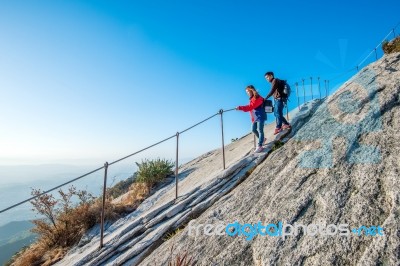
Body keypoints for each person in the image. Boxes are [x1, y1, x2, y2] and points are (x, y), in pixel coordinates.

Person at [236, 85, 266, 153]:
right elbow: (250, 106)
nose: (247, 93)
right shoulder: (252, 98)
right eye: (246, 92)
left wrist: (240, 108)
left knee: (260, 130)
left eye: (248, 91)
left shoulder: (257, 97)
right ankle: (263, 139)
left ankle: (260, 145)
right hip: (255, 117)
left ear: (251, 90)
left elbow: (250, 107)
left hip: (260, 116)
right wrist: (240, 107)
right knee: (253, 129)